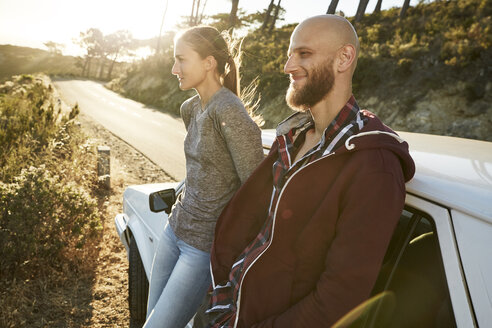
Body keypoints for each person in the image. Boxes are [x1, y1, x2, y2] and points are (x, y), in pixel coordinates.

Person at [205, 15, 416, 327]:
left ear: (344, 58)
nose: (288, 66)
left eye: (303, 54)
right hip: (226, 305)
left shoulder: (374, 167)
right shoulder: (293, 138)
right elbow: (253, 224)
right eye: (290, 54)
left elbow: (336, 302)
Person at [143, 26, 264, 328]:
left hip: (201, 248)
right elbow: (200, 170)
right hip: (174, 230)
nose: (174, 69)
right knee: (151, 320)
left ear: (209, 62)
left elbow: (256, 190)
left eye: (181, 60)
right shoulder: (191, 108)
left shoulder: (231, 112)